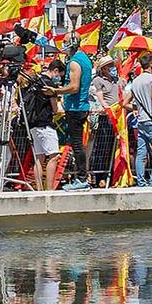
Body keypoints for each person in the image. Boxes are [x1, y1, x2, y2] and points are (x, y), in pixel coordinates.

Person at [57, 33, 96, 190]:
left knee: (77, 145)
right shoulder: (85, 58)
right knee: (78, 144)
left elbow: (74, 87)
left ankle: (81, 178)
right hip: (80, 106)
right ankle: (81, 177)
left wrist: (55, 90)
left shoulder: (74, 62)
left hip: (75, 107)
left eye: (65, 42)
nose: (63, 44)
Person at [125, 61, 152, 186]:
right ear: (151, 65)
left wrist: (136, 108)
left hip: (141, 120)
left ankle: (141, 181)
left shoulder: (135, 81)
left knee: (141, 152)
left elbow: (124, 103)